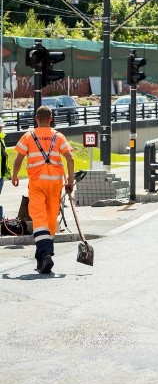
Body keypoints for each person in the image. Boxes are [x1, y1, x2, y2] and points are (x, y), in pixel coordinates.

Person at [11, 106, 75, 274]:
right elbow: (70, 158)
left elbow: (18, 159)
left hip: (38, 183)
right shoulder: (58, 136)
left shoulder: (29, 136)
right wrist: (70, 181)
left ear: (36, 119)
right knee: (50, 218)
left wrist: (15, 175)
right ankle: (41, 260)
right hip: (55, 183)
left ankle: (46, 253)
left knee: (39, 218)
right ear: (51, 119)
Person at [0, 118, 9, 195]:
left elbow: (3, 155)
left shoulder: (1, 138)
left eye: (1, 127)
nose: (0, 129)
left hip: (1, 174)